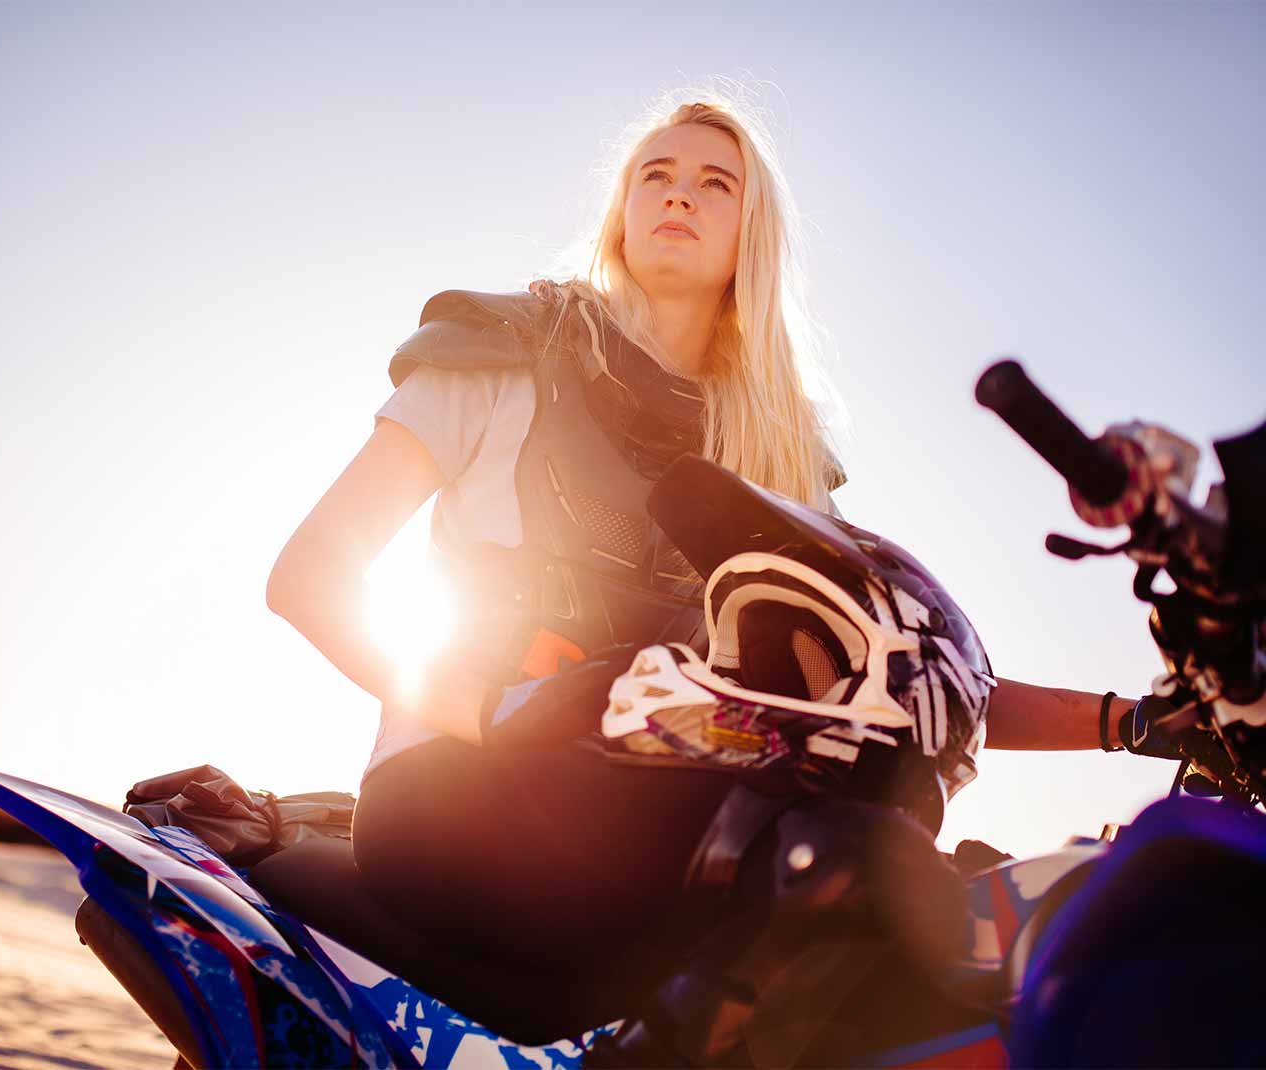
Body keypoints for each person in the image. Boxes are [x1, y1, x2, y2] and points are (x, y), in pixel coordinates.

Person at [260, 95, 1139, 1057]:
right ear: (623, 210)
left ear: (749, 236)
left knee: (969, 912)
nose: (678, 197)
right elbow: (312, 576)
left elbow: (909, 671)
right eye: (656, 177)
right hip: (454, 785)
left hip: (659, 799)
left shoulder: (776, 450)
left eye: (714, 185)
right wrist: (499, 708)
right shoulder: (499, 354)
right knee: (843, 865)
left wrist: (1129, 722)